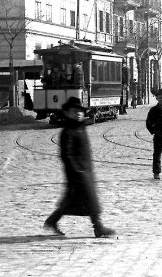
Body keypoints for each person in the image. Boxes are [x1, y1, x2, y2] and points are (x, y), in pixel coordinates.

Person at [44, 96, 115, 238]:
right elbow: (66, 154)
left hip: (84, 170)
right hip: (76, 172)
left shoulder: (80, 128)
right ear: (67, 113)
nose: (78, 113)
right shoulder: (68, 131)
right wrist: (76, 170)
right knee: (89, 199)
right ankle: (98, 227)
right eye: (74, 111)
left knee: (73, 200)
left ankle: (52, 220)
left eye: (80, 111)